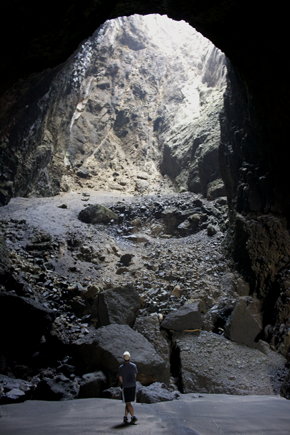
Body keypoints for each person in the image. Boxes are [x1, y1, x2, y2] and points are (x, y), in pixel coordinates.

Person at [118, 351, 138, 425]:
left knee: (128, 402)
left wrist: (123, 383)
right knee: (128, 402)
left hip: (126, 386)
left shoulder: (121, 367)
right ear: (130, 357)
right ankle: (125, 417)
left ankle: (133, 417)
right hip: (133, 385)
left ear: (123, 358)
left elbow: (120, 378)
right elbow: (135, 375)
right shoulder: (134, 366)